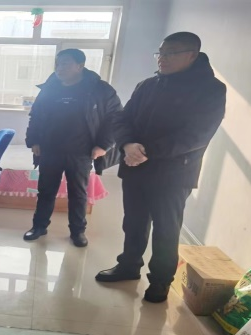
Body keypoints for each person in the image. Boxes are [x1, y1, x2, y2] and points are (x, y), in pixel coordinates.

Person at [96, 32, 227, 303]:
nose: (162, 59)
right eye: (161, 53)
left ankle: (160, 281)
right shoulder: (148, 85)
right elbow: (122, 119)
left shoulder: (211, 89)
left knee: (166, 229)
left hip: (174, 172)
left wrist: (145, 152)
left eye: (171, 53)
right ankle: (128, 266)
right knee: (133, 222)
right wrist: (128, 144)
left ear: (192, 55)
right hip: (135, 167)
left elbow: (197, 135)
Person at [23, 49, 123, 247]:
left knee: (78, 193)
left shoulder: (100, 90)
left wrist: (103, 145)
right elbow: (36, 116)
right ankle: (39, 226)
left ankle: (77, 231)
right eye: (58, 64)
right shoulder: (50, 88)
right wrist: (33, 141)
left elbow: (115, 118)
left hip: (81, 151)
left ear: (80, 66)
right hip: (50, 149)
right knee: (45, 191)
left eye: (65, 64)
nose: (60, 68)